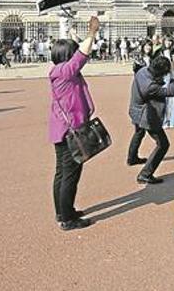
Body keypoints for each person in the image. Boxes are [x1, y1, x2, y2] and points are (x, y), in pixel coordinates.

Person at [48, 16, 100, 231]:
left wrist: (73, 33)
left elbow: (79, 53)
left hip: (64, 129)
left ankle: (63, 211)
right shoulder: (62, 72)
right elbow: (81, 56)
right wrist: (92, 32)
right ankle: (67, 219)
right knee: (69, 173)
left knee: (63, 172)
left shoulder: (64, 72)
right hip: (69, 131)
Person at [127, 55, 174, 183]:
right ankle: (145, 174)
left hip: (136, 110)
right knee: (163, 144)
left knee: (138, 133)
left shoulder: (142, 71)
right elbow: (171, 91)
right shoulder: (151, 87)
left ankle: (132, 158)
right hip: (148, 116)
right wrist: (172, 75)